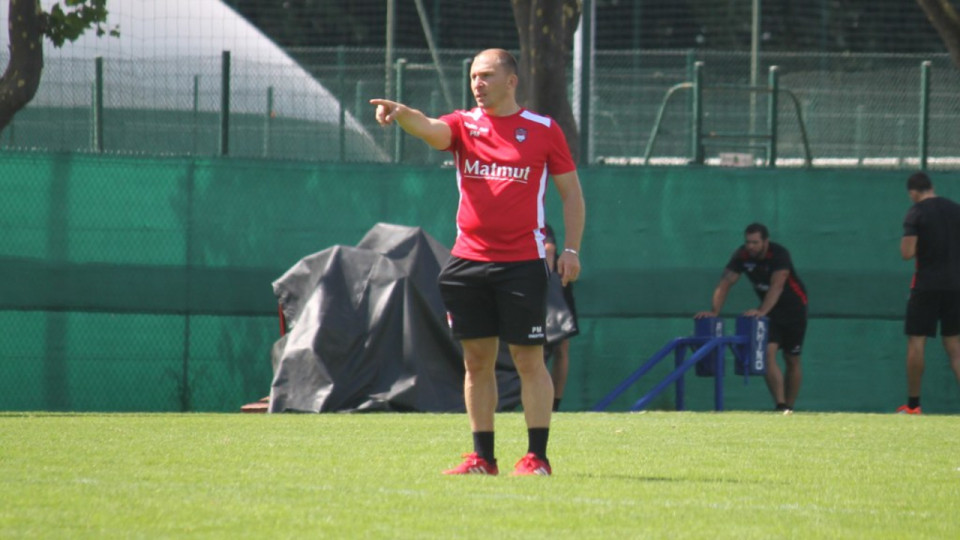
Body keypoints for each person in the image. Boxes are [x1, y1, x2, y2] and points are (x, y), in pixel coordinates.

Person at [370, 48, 585, 476]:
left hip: (522, 264)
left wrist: (572, 250)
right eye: (473, 77)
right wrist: (401, 113)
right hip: (468, 264)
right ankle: (483, 459)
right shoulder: (464, 125)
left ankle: (536, 458)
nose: (478, 84)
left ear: (512, 80)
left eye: (486, 75)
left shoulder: (543, 130)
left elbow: (572, 195)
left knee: (529, 360)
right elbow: (431, 129)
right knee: (476, 363)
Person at [694, 223, 808, 414]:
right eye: (748, 242)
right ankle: (781, 406)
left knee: (792, 358)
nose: (751, 247)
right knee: (767, 352)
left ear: (765, 241)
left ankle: (790, 405)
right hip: (770, 314)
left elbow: (777, 286)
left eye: (755, 242)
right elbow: (725, 283)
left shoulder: (779, 254)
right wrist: (714, 311)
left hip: (794, 310)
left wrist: (762, 310)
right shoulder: (742, 255)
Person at [898, 171, 960, 415]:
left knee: (916, 341)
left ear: (913, 192)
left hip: (926, 285)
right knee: (955, 347)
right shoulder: (956, 210)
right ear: (931, 187)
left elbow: (906, 252)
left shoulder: (916, 213)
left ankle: (913, 405)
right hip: (956, 286)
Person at [543, 223, 579, 412]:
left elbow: (549, 250)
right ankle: (535, 402)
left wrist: (545, 284)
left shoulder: (542, 226)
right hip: (526, 287)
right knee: (530, 352)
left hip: (554, 289)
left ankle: (554, 405)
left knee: (561, 346)